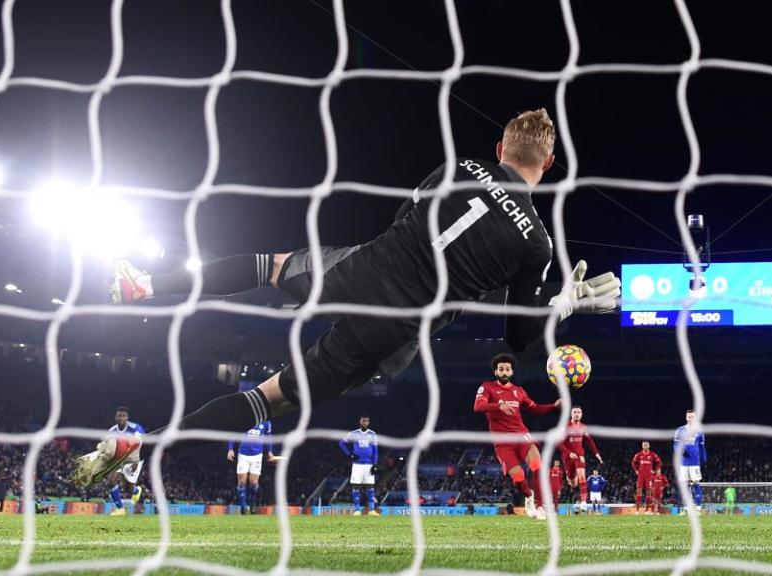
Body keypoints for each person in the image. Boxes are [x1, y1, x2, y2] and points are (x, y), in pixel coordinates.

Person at [74, 109, 621, 487]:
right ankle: (143, 448)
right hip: (394, 328)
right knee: (271, 399)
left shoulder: (459, 167)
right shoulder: (536, 242)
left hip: (360, 271)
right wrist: (562, 303)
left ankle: (144, 286)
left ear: (499, 148)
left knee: (272, 266)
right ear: (547, 166)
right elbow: (519, 336)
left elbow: (409, 218)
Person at [474, 353, 561, 520]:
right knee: (519, 477)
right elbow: (478, 406)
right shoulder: (487, 387)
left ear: (512, 372)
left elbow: (534, 408)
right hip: (503, 443)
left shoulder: (519, 391)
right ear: (496, 372)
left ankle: (541, 506)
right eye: (501, 369)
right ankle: (529, 497)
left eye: (507, 369)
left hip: (522, 435)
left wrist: (553, 406)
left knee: (537, 466)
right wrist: (499, 405)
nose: (504, 372)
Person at [557, 405, 603, 513]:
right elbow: (558, 443)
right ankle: (571, 478)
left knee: (582, 477)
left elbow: (589, 440)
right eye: (575, 412)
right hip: (568, 457)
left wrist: (597, 454)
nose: (577, 414)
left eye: (579, 412)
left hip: (580, 455)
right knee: (573, 483)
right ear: (571, 414)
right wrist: (569, 453)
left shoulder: (583, 427)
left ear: (581, 414)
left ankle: (583, 503)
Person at [227, 418, 273, 515]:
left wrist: (269, 451)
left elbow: (269, 437)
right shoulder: (244, 416)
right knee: (242, 481)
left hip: (257, 456)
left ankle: (253, 502)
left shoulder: (266, 422)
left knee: (254, 482)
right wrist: (230, 449)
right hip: (243, 455)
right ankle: (243, 507)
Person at [105, 407, 145, 516]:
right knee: (111, 480)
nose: (121, 418)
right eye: (119, 415)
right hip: (119, 458)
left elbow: (140, 444)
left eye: (123, 416)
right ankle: (120, 509)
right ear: (115, 417)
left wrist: (136, 461)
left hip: (133, 458)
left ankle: (136, 491)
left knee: (128, 488)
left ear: (127, 417)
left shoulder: (136, 428)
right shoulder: (112, 431)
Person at [339, 416, 379, 516]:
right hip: (357, 465)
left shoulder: (372, 434)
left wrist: (375, 464)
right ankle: (357, 510)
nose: (365, 422)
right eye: (363, 421)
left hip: (369, 465)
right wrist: (349, 454)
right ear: (360, 422)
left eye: (367, 421)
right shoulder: (353, 433)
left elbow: (375, 451)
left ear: (369, 422)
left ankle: (372, 510)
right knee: (356, 485)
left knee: (370, 485)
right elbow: (342, 443)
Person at [674, 409, 707, 511]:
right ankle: (687, 506)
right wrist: (680, 451)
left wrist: (703, 458)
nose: (690, 418)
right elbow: (675, 445)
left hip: (695, 462)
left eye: (692, 417)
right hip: (683, 462)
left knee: (696, 483)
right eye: (689, 417)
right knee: (684, 485)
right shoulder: (680, 430)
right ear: (686, 417)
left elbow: (702, 447)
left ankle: (697, 506)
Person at [631, 441, 662, 513]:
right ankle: (637, 510)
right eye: (644, 445)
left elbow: (660, 462)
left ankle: (647, 510)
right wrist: (636, 470)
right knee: (639, 492)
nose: (645, 446)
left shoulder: (652, 454)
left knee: (649, 493)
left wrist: (654, 470)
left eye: (646, 445)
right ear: (642, 446)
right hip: (641, 476)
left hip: (649, 476)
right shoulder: (639, 454)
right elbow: (633, 462)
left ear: (649, 446)